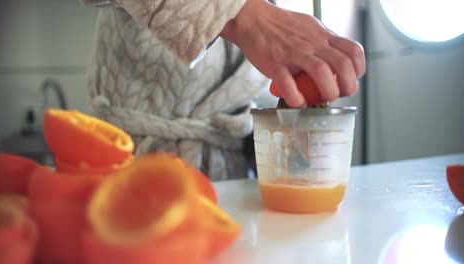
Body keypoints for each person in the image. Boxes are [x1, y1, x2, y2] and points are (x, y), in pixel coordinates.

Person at [81, 0, 366, 181]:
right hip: (135, 165)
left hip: (230, 178)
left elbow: (249, 79)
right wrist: (242, 15)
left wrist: (282, 134)